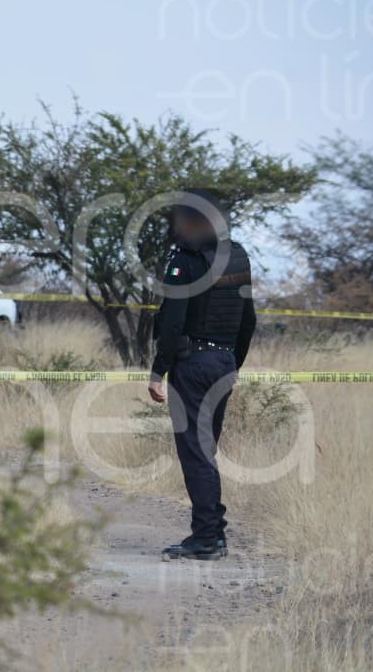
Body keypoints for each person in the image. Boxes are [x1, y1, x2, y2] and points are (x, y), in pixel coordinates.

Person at [148, 189, 256, 561]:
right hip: (224, 363)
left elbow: (173, 322)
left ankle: (207, 538)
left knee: (196, 453)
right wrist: (232, 364)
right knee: (205, 451)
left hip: (193, 366)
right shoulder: (237, 256)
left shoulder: (185, 259)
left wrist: (157, 371)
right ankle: (214, 534)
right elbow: (249, 320)